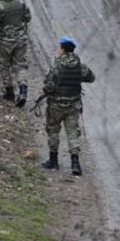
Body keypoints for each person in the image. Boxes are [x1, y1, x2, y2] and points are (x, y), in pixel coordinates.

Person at [41, 37, 95, 176]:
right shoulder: (80, 66)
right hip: (73, 105)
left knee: (53, 130)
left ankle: (53, 161)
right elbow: (91, 77)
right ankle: (75, 163)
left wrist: (49, 90)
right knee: (72, 133)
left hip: (56, 105)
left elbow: (48, 86)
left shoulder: (57, 66)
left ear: (63, 50)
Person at [0, 0, 31, 107]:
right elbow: (27, 17)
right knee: (20, 65)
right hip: (21, 39)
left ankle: (10, 92)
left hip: (5, 41)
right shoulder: (20, 1)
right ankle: (23, 91)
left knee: (4, 65)